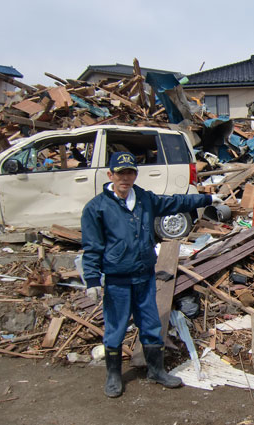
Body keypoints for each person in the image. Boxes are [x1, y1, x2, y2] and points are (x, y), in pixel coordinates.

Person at [81, 152, 221, 398]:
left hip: (145, 276)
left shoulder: (144, 199)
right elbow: (92, 247)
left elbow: (175, 202)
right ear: (110, 175)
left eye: (130, 173)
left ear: (135, 174)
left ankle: (156, 370)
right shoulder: (97, 208)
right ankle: (114, 376)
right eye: (120, 173)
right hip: (117, 280)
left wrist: (206, 198)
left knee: (151, 324)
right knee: (116, 327)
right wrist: (92, 280)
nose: (125, 178)